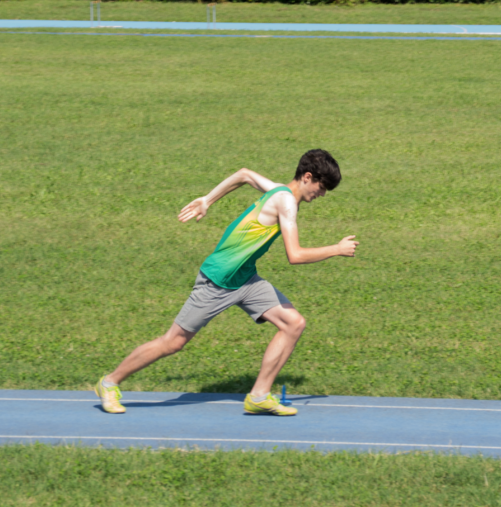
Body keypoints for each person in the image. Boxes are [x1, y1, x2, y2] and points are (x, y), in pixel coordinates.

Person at [96, 149, 358, 416]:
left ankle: (258, 396)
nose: (322, 194)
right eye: (322, 187)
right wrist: (336, 249)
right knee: (173, 342)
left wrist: (207, 201)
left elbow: (244, 175)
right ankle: (109, 382)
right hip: (218, 281)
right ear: (307, 177)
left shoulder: (279, 190)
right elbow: (295, 255)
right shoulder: (286, 201)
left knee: (293, 323)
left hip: (245, 278)